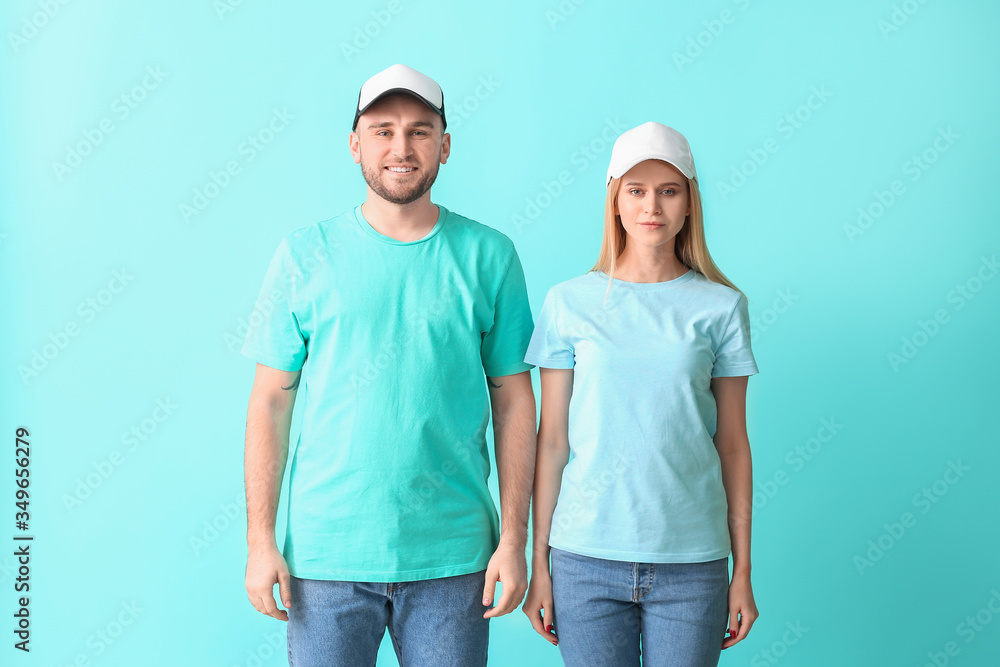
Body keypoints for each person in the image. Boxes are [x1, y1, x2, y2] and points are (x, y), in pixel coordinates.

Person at [240, 63, 537, 667]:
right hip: (324, 558)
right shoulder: (304, 255)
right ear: (355, 145)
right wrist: (260, 541)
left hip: (454, 559)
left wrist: (514, 540)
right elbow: (270, 402)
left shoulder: (490, 256)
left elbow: (514, 402)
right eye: (382, 130)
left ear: (445, 146)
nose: (401, 147)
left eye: (420, 131)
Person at [520, 121, 760, 666]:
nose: (652, 205)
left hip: (692, 564)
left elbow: (733, 446)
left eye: (668, 190)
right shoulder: (568, 303)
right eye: (636, 190)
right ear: (616, 202)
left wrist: (742, 572)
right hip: (584, 559)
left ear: (689, 205)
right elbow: (552, 441)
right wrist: (540, 565)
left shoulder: (721, 307)